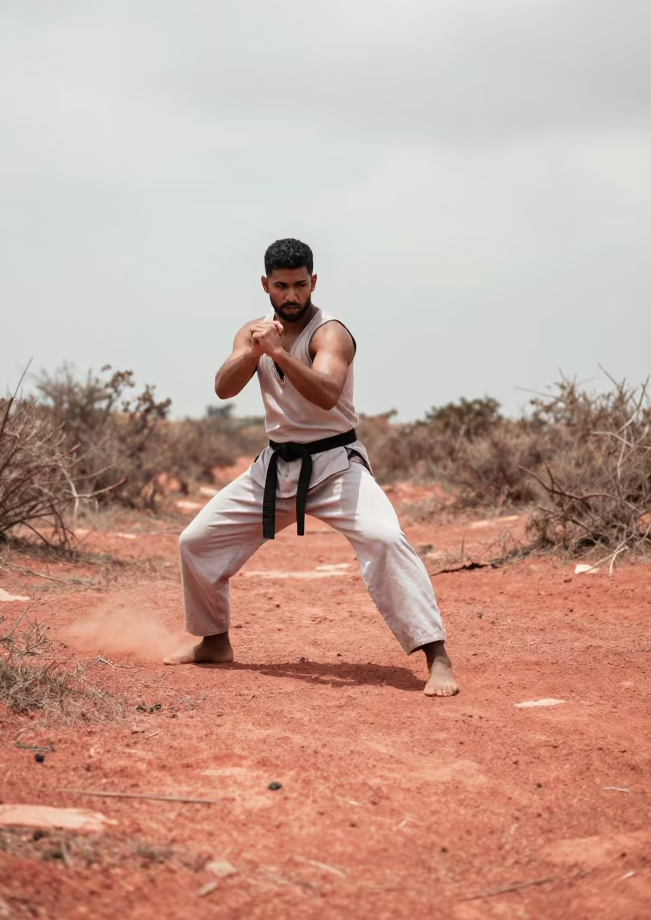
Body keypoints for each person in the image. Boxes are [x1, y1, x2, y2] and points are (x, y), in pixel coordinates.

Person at [166, 238, 458, 696]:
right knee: (196, 542)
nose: (292, 295)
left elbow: (325, 393)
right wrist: (254, 350)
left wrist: (279, 353)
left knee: (384, 538)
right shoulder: (254, 332)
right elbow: (223, 388)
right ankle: (214, 640)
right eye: (281, 286)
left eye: (300, 285)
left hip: (335, 464)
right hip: (274, 465)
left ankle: (436, 656)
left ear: (314, 282)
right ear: (265, 285)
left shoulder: (331, 332)